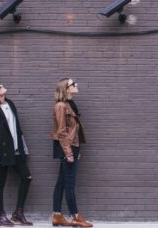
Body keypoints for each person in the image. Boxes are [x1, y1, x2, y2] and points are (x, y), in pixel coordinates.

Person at [0, 82, 33, 226]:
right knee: (0, 183)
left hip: (17, 151)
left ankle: (18, 212)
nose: (1, 85)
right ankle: (0, 216)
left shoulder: (10, 103)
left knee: (27, 177)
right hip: (2, 153)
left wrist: (23, 147)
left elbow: (17, 127)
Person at [51, 78, 93, 228]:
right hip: (66, 148)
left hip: (71, 147)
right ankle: (75, 216)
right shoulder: (61, 106)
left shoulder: (69, 104)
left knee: (62, 182)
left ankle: (56, 215)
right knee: (70, 184)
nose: (77, 85)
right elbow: (61, 132)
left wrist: (77, 150)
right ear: (66, 88)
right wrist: (69, 153)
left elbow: (74, 131)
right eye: (73, 84)